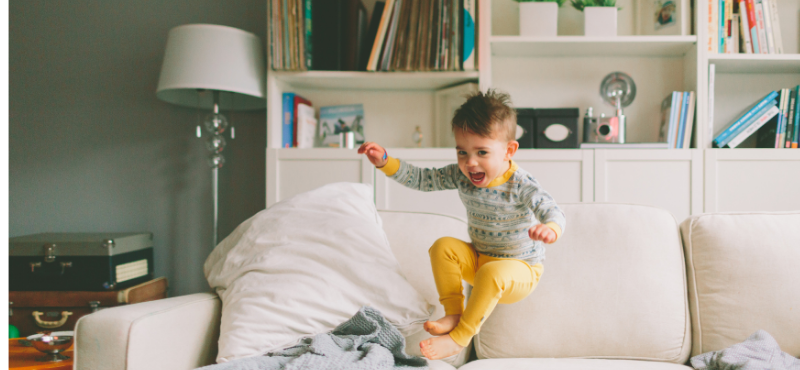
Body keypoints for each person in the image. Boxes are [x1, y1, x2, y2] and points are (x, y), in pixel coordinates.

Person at [357, 90, 566, 360]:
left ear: (509, 150)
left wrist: (550, 228)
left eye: (482, 152)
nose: (470, 162)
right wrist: (386, 162)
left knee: (492, 274)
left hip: (521, 269)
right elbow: (423, 179)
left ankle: (459, 336)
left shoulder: (521, 183)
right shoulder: (461, 175)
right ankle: (454, 313)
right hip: (479, 260)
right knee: (443, 247)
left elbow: (552, 210)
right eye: (462, 152)